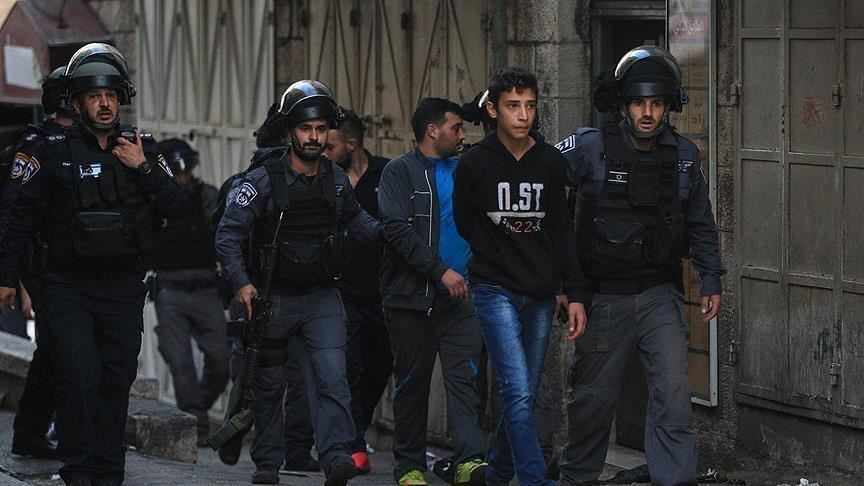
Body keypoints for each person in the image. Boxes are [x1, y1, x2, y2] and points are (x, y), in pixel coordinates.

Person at [0, 43, 186, 486]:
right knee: (77, 375)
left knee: (115, 379)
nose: (104, 104)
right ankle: (79, 470)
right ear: (78, 102)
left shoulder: (142, 148)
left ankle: (108, 471)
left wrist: (143, 168)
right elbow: (19, 218)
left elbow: (178, 208)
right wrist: (6, 279)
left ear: (121, 99)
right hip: (67, 286)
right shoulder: (51, 150)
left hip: (123, 287)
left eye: (111, 96)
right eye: (94, 96)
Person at [555, 45, 724, 486]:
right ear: (623, 105)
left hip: (658, 294)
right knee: (592, 401)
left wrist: (711, 277)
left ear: (669, 106)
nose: (647, 113)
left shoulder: (684, 155)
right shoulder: (589, 147)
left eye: (656, 103)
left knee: (672, 395)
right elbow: (542, 184)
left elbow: (700, 220)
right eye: (638, 103)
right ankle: (576, 479)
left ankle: (675, 479)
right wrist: (560, 283)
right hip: (602, 297)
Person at [215, 80, 381, 486]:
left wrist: (389, 233)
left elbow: (356, 221)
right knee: (269, 386)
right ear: (291, 131)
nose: (314, 137)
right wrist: (241, 284)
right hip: (272, 297)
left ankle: (336, 456)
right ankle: (268, 462)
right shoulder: (262, 181)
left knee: (332, 376)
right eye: (306, 129)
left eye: (321, 129)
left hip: (321, 295)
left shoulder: (336, 180)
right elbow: (228, 235)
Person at [453, 66, 589, 486]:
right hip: (494, 289)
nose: (523, 115)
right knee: (516, 389)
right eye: (513, 106)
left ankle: (497, 476)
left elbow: (562, 229)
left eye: (530, 106)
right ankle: (533, 479)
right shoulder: (474, 163)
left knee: (523, 393)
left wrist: (573, 291)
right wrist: (498, 254)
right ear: (494, 110)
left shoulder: (550, 162)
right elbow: (465, 222)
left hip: (541, 293)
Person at [378, 97, 487, 486]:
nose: (462, 135)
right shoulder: (399, 171)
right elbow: (396, 230)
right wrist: (441, 272)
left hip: (463, 299)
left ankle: (469, 460)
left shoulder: (466, 168)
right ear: (432, 130)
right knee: (412, 383)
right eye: (456, 128)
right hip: (413, 299)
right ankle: (409, 466)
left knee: (466, 380)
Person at [7, 65, 77, 460]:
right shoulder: (38, 146)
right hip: (46, 267)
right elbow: (14, 217)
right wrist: (18, 281)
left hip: (74, 266)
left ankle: (35, 432)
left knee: (56, 350)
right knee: (63, 350)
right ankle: (51, 431)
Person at [149, 138, 230, 447]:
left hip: (206, 288)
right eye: (177, 171)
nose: (183, 177)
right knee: (180, 362)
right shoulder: (153, 201)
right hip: (170, 290)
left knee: (221, 360)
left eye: (186, 170)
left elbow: (226, 236)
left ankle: (197, 409)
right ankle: (196, 423)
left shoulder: (207, 196)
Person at [323, 108, 391, 474]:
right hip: (341, 290)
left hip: (383, 291)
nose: (324, 152)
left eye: (331, 146)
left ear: (351, 144)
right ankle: (350, 446)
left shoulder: (387, 174)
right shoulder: (325, 179)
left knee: (380, 366)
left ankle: (356, 433)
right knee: (348, 367)